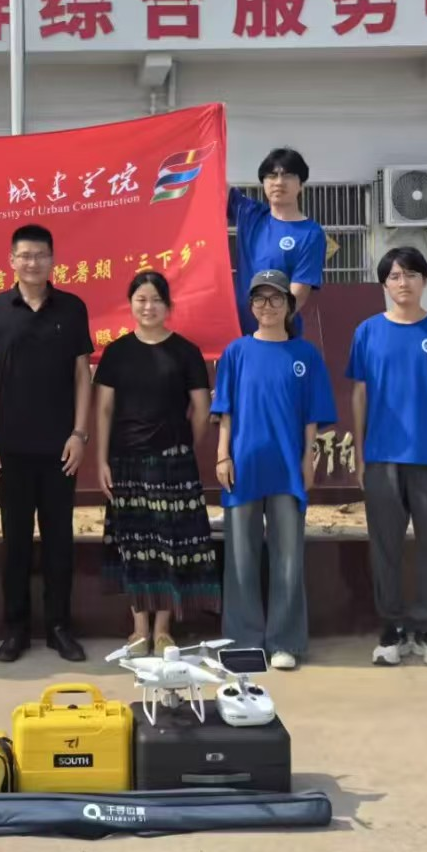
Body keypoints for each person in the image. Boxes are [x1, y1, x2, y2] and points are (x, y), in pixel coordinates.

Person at [348, 245, 427, 669]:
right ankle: (391, 629)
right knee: (384, 546)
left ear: (425, 281)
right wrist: (361, 455)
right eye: (395, 276)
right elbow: (360, 395)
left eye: (411, 275)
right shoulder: (368, 332)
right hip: (383, 457)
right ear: (385, 284)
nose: (403, 283)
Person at [0, 223, 95, 663]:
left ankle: (60, 628)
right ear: (11, 260)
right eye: (24, 255)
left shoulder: (72, 307)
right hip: (9, 447)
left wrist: (79, 434)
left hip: (61, 448)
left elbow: (82, 375)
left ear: (53, 260)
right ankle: (16, 629)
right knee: (16, 542)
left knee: (60, 540)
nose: (32, 263)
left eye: (40, 255)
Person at [210, 268, 335, 669]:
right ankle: (243, 639)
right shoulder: (236, 353)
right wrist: (222, 455)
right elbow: (225, 411)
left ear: (289, 305)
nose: (268, 306)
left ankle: (285, 642)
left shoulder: (305, 356)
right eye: (260, 299)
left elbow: (312, 415)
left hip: (287, 468)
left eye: (276, 298)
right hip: (243, 466)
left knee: (287, 556)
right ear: (251, 307)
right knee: (241, 557)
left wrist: (308, 458)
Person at [93, 270, 217, 655]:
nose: (148, 307)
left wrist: (184, 446)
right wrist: (102, 460)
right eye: (141, 299)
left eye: (156, 300)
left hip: (172, 464)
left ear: (168, 305)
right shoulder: (116, 352)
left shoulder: (185, 351)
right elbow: (104, 410)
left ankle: (163, 629)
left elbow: (201, 409)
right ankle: (139, 629)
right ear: (131, 304)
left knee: (170, 547)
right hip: (126, 461)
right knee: (134, 546)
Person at [227, 147, 326, 336]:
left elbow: (298, 294)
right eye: (272, 176)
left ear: (301, 185)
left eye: (287, 175)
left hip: (280, 335)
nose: (279, 182)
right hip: (238, 331)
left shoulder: (310, 234)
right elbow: (212, 183)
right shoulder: (251, 215)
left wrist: (268, 331)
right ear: (264, 182)